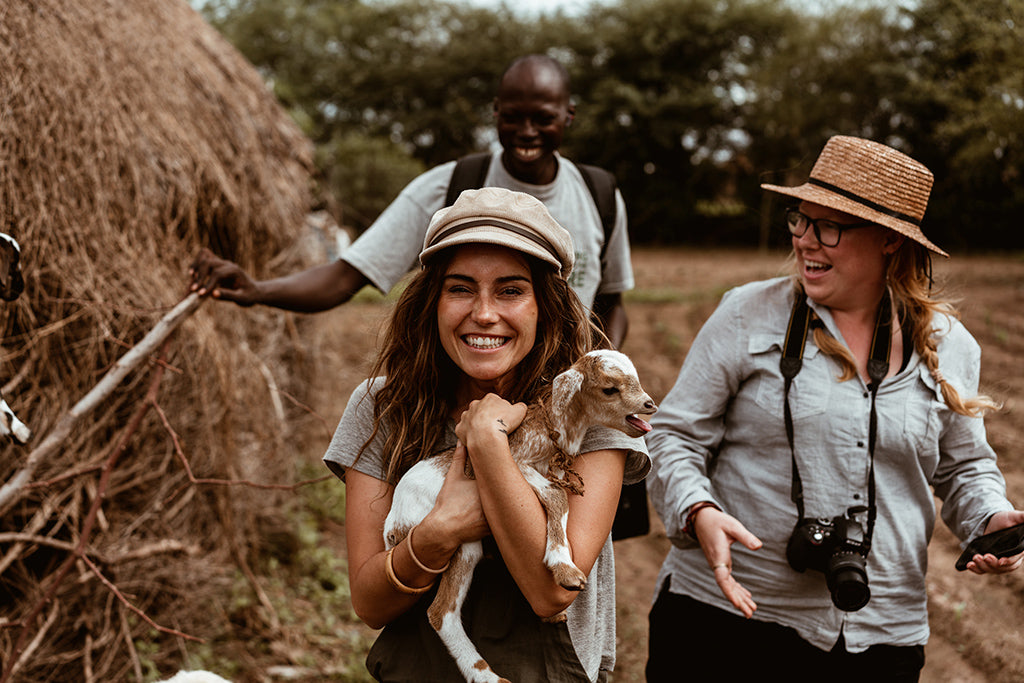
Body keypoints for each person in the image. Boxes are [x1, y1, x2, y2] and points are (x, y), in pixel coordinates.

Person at [645, 135, 1024, 682]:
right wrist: (697, 510)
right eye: (801, 220)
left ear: (891, 241)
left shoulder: (952, 345)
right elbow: (673, 436)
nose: (805, 241)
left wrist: (989, 517)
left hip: (881, 634)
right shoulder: (746, 315)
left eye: (829, 228)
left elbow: (964, 466)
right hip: (729, 614)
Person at [322, 186, 649, 682]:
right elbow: (369, 603)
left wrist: (488, 441)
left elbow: (552, 593)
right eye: (460, 288)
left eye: (511, 290)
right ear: (432, 300)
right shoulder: (380, 406)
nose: (484, 313)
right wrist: (437, 534)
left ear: (547, 304)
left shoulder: (592, 406)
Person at [187, 54, 635, 348]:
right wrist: (258, 289)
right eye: (513, 117)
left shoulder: (598, 195)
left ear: (568, 116)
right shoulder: (448, 188)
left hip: (566, 405)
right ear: (496, 113)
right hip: (469, 399)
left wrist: (605, 370)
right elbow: (346, 276)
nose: (527, 132)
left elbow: (611, 302)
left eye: (544, 118)